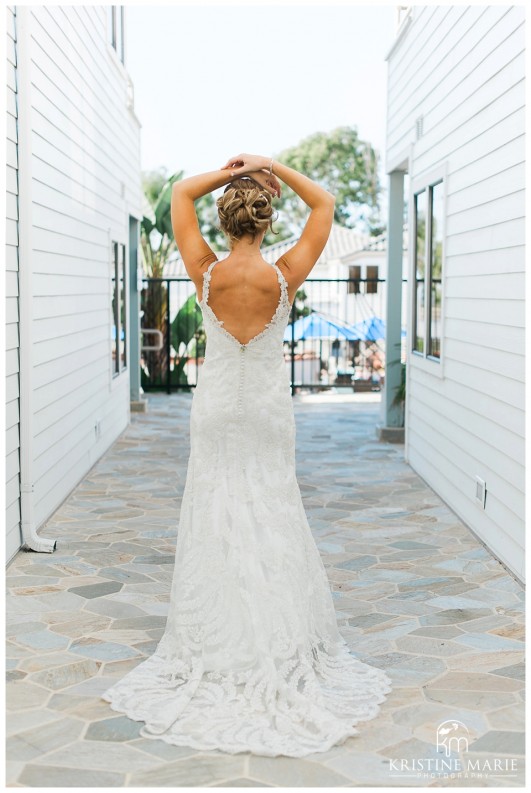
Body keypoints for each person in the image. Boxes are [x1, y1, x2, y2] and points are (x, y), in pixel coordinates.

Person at [101, 153, 392, 757]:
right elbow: (325, 204)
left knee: (214, 510)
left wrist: (231, 169)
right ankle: (276, 636)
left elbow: (180, 194)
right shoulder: (285, 276)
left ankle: (218, 637)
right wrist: (271, 166)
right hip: (264, 412)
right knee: (272, 511)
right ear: (264, 219)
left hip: (214, 411)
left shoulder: (204, 272)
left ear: (227, 219)